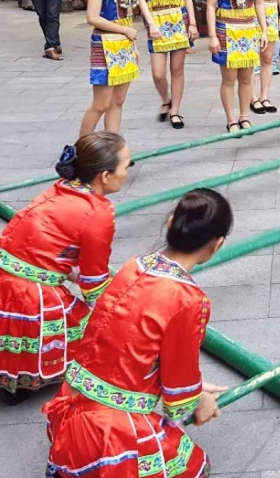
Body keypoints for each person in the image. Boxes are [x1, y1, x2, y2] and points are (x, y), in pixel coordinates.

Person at [42, 188, 232, 478]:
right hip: (112, 432)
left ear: (170, 223)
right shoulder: (190, 299)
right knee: (193, 467)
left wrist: (196, 386)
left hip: (71, 403)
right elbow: (179, 388)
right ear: (217, 245)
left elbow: (127, 345)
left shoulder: (134, 267)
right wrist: (198, 399)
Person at [0, 133, 131, 402]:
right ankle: (24, 374)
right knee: (101, 333)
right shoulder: (98, 212)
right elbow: (94, 282)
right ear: (105, 176)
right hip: (30, 296)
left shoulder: (62, 187)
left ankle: (6, 368)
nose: (127, 172)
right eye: (127, 166)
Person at [78, 0, 151, 138]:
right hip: (104, 43)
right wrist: (124, 30)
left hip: (125, 44)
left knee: (118, 101)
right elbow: (92, 17)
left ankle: (111, 147)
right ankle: (80, 149)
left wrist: (131, 43)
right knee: (101, 104)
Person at [204, 0, 268, 133]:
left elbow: (259, 2)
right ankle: (231, 119)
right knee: (229, 79)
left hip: (249, 30)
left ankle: (244, 116)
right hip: (226, 29)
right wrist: (212, 36)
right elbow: (210, 5)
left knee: (247, 78)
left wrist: (264, 30)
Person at [137, 0, 198, 130]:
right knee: (158, 73)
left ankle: (176, 111)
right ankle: (166, 98)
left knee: (177, 70)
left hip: (178, 19)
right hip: (156, 23)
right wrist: (150, 23)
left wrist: (192, 22)